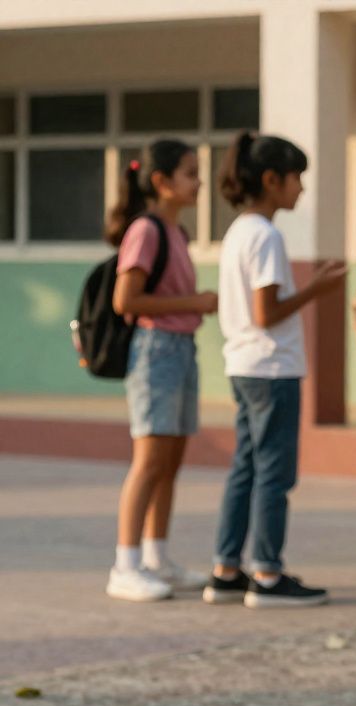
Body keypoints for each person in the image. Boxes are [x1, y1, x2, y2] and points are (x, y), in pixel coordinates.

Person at [202, 132, 346, 608]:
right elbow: (267, 312)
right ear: (271, 180)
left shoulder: (239, 231)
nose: (301, 189)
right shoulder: (265, 235)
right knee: (273, 473)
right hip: (271, 367)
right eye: (296, 179)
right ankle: (267, 573)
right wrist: (316, 288)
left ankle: (226, 571)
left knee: (245, 466)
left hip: (244, 365)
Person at [105, 139, 217, 602]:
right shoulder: (147, 231)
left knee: (170, 462)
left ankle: (156, 557)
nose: (199, 181)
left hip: (181, 349)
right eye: (190, 172)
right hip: (155, 351)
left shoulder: (177, 232)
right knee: (149, 461)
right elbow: (125, 300)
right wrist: (194, 303)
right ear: (161, 182)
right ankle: (124, 564)